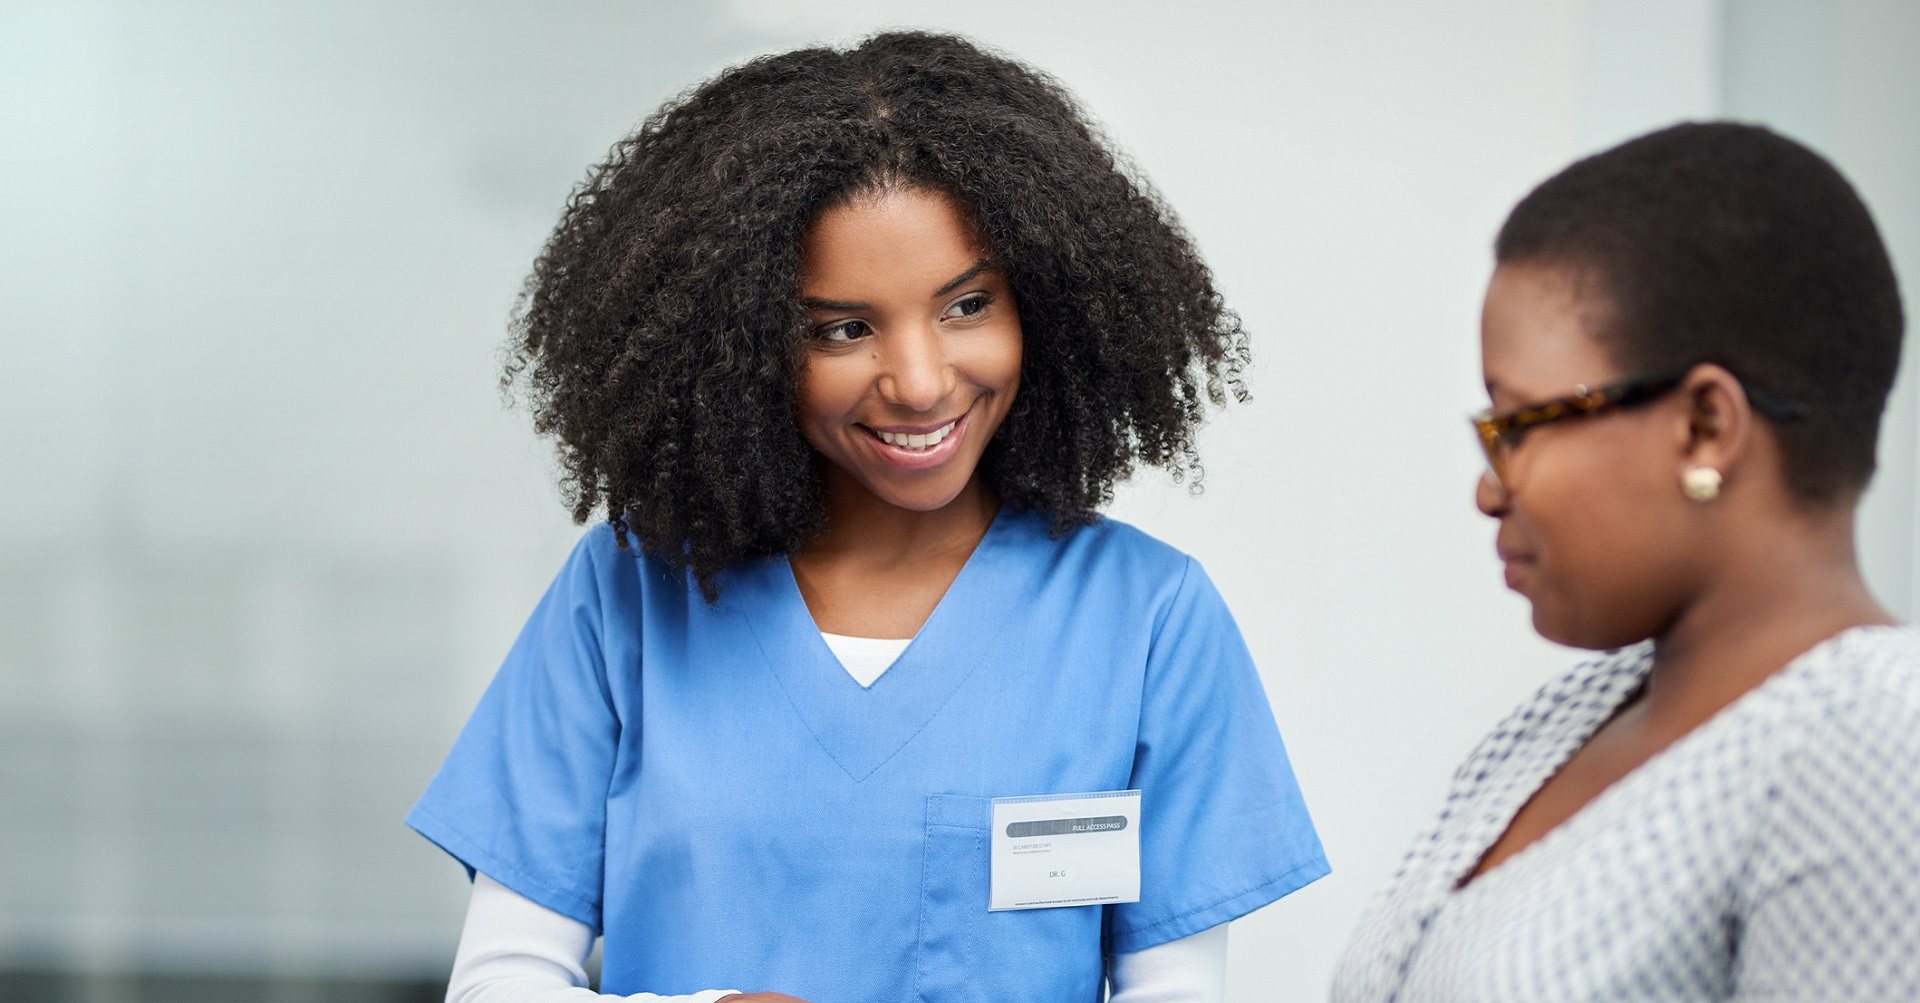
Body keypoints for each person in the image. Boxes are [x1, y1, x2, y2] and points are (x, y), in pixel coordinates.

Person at [408, 31, 1327, 1003]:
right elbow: (502, 981)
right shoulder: (627, 595)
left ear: (1047, 303)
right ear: (739, 346)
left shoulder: (1148, 617)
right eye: (842, 328)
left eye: (967, 304)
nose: (922, 382)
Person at [1332, 121, 1919, 1001]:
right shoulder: (1557, 724)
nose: (1489, 491)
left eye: (1517, 425)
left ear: (1704, 427)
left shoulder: (1875, 745)